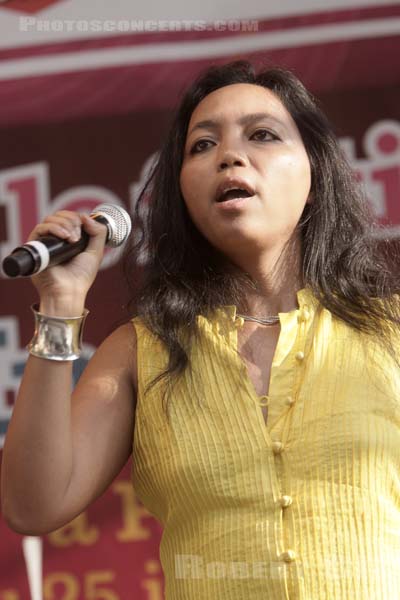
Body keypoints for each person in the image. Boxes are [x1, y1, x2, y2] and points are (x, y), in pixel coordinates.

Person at [1, 60, 400, 599]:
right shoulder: (141, 351)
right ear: (183, 195)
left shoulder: (389, 330)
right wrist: (60, 302)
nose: (230, 155)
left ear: (314, 176)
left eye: (262, 135)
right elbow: (33, 503)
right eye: (202, 146)